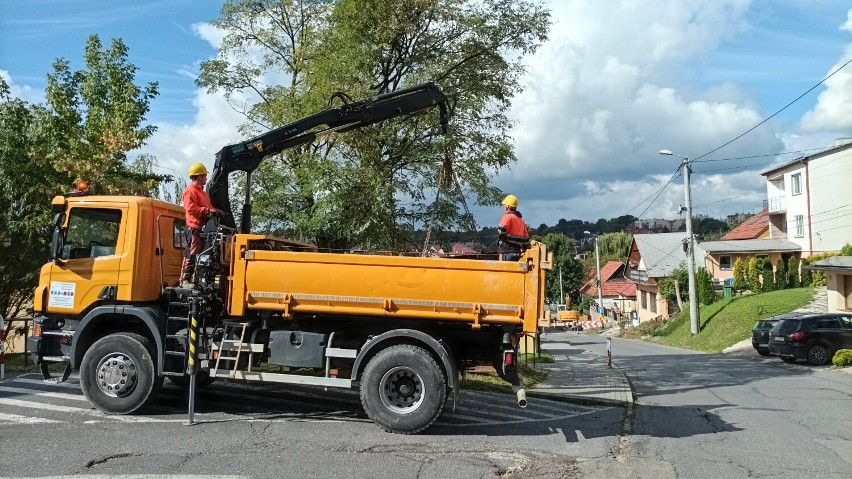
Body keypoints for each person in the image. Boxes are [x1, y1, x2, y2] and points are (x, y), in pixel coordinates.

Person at [180, 163, 222, 287]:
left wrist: (216, 211)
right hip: (194, 227)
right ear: (198, 176)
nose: (206, 178)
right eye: (204, 176)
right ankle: (184, 280)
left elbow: (207, 207)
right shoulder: (190, 191)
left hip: (203, 228)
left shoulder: (202, 193)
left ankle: (195, 280)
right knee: (192, 253)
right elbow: (191, 208)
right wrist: (207, 211)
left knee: (200, 255)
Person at [497, 194, 529, 261]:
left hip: (507, 252)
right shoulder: (521, 220)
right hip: (517, 253)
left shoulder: (507, 217)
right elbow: (526, 241)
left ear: (507, 207)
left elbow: (501, 230)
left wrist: (502, 237)